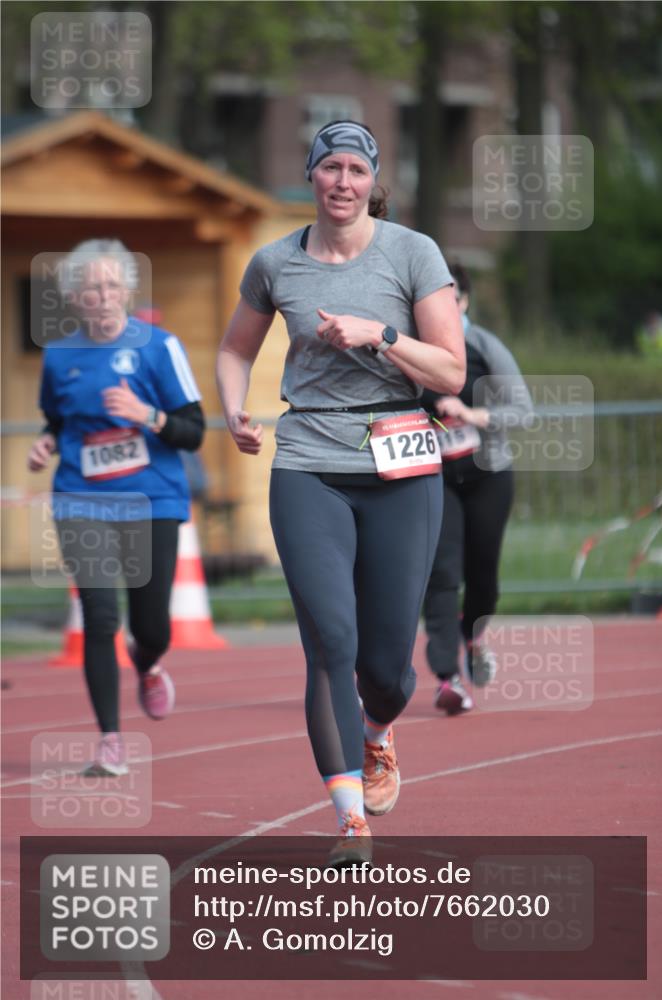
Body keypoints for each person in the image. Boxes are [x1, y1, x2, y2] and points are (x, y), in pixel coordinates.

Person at [216, 120, 465, 864]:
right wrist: (233, 408)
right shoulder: (274, 263)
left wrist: (379, 336)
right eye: (330, 168)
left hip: (401, 462)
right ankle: (349, 816)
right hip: (308, 460)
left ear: (371, 180)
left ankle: (379, 731)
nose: (342, 182)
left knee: (385, 667)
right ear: (312, 175)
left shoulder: (412, 252)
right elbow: (235, 348)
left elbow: (450, 373)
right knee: (331, 640)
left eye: (356, 169)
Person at [27, 239, 205, 775]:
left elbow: (193, 432)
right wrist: (47, 442)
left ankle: (148, 664)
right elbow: (59, 420)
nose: (102, 296)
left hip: (152, 499)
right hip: (82, 498)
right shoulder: (60, 356)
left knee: (152, 629)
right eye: (89, 288)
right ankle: (111, 742)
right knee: (100, 616)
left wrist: (146, 415)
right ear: (74, 299)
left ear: (127, 290)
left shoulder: (160, 348)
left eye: (110, 286)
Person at [421, 263, 533, 714]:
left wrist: (471, 416)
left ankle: (475, 635)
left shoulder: (485, 347)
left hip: (488, 474)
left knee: (482, 575)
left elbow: (523, 410)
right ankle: (447, 677)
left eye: (449, 298)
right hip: (436, 478)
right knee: (442, 573)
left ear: (463, 302)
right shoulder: (413, 349)